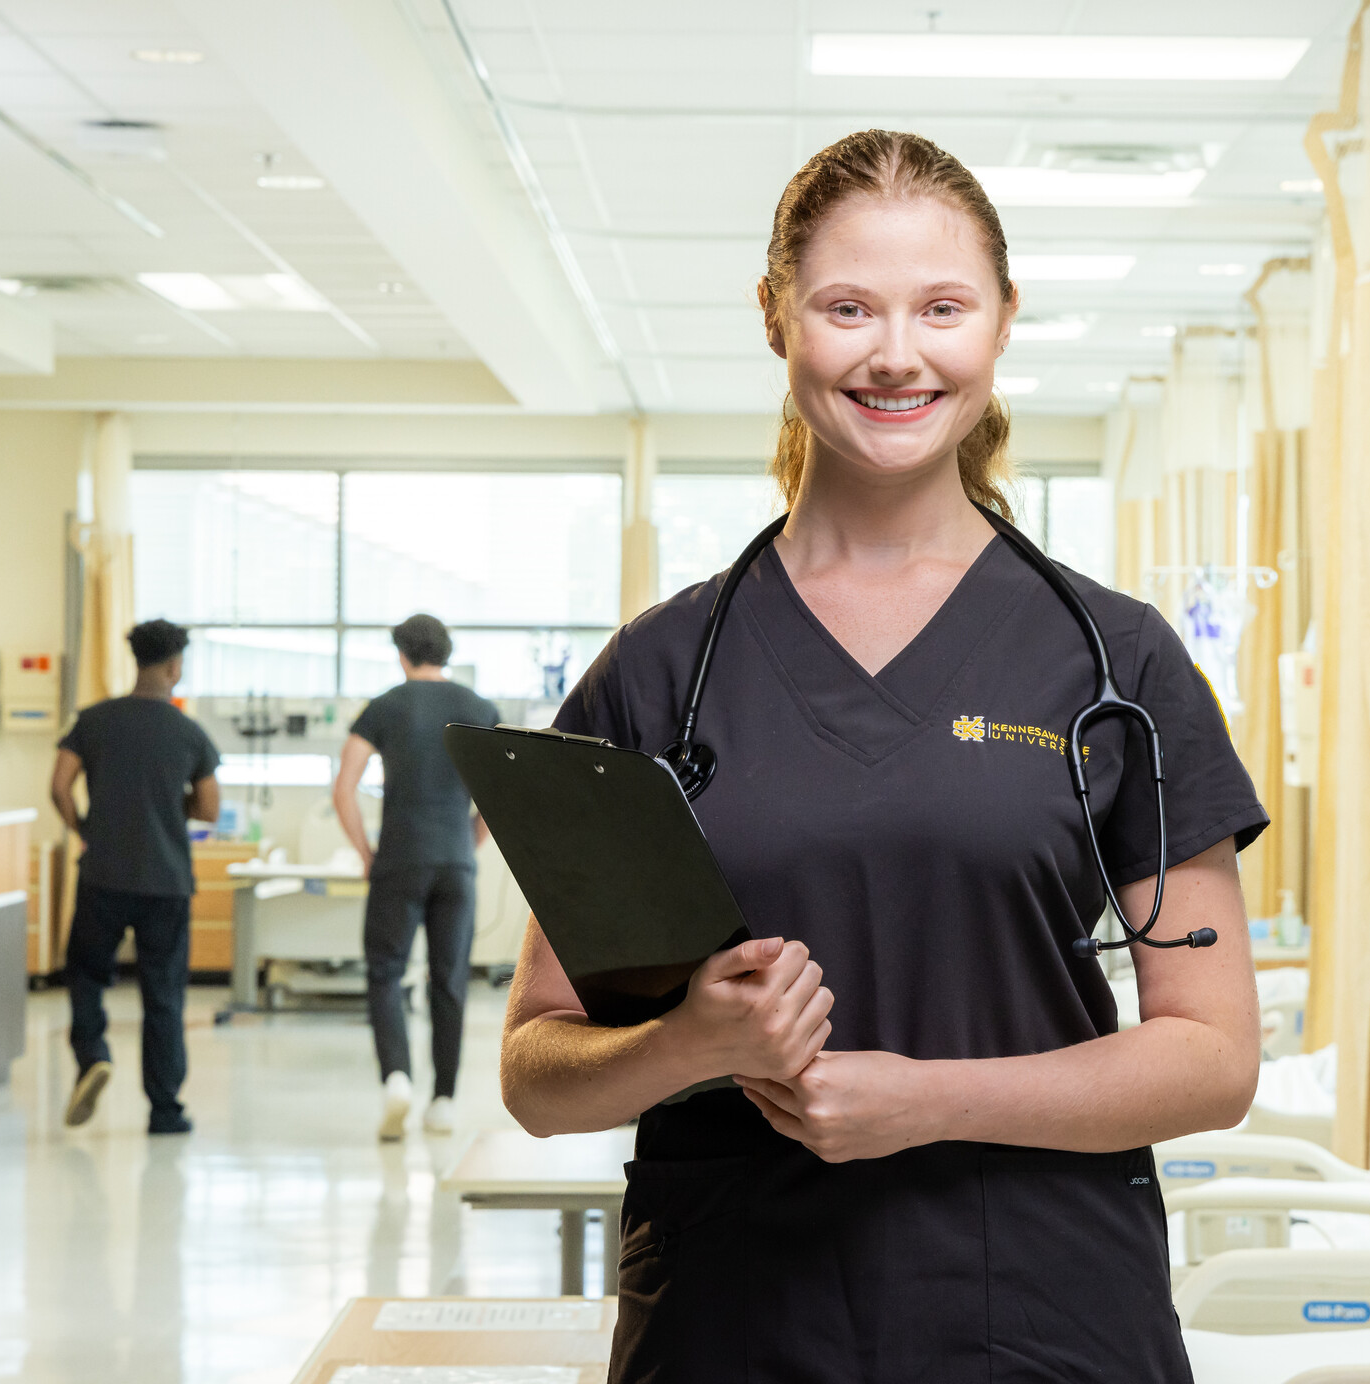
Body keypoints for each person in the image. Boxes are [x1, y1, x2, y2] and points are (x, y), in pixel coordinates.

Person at [500, 130, 1268, 1383]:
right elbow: (539, 1071)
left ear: (1004, 322)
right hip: (733, 1321)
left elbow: (1214, 1056)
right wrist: (691, 1045)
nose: (898, 353)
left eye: (943, 308)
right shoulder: (657, 670)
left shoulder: (1116, 661)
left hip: (1045, 1312)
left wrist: (929, 1100)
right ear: (775, 316)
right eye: (848, 307)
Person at [50, 619, 221, 1136]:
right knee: (164, 995)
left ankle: (92, 1055)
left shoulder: (94, 720)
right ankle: (165, 1110)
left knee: (85, 973)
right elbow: (211, 808)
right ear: (174, 666)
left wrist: (84, 828)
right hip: (166, 881)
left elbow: (59, 786)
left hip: (103, 873)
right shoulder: (189, 732)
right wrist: (173, 806)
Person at [333, 614, 499, 1141]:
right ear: (445, 652)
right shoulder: (479, 709)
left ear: (402, 654)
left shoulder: (384, 706)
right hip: (455, 862)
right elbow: (500, 794)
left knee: (385, 972)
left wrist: (365, 851)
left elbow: (344, 788)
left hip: (399, 859)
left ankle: (397, 1081)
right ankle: (444, 1101)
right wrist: (468, 842)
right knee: (448, 979)